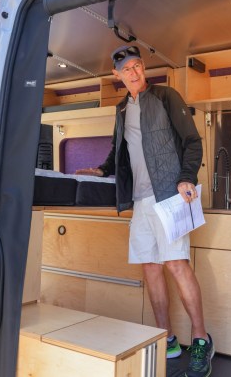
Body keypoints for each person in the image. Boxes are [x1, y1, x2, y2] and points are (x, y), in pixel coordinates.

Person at [76, 45, 214, 377]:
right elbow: (118, 150)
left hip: (169, 197)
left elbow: (193, 141)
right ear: (117, 75)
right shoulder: (122, 109)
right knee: (151, 269)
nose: (135, 73)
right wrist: (103, 170)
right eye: (127, 69)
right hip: (139, 202)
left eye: (138, 66)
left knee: (176, 265)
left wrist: (185, 178)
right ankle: (166, 338)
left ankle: (200, 339)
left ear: (142, 68)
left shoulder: (166, 97)